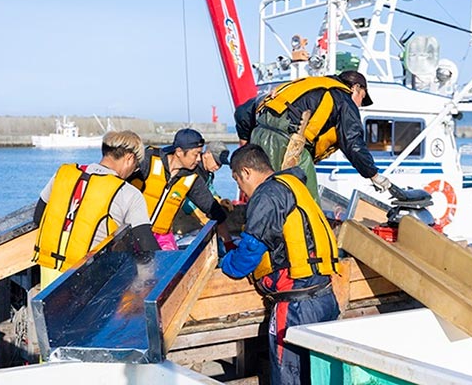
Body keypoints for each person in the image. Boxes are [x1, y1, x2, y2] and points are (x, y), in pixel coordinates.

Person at [221, 144, 340, 385]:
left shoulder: (268, 195)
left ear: (245, 172)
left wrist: (226, 263)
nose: (242, 191)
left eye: (238, 181)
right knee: (318, 376)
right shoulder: (294, 186)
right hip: (325, 295)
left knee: (289, 377)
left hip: (296, 304)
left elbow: (248, 256)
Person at [234, 70, 390, 202]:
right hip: (288, 145)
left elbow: (242, 112)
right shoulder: (343, 97)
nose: (359, 106)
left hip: (258, 138)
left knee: (263, 198)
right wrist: (373, 175)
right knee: (307, 203)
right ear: (355, 88)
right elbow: (353, 143)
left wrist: (247, 145)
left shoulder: (306, 85)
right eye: (362, 98)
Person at [33, 130, 159, 288]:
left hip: (50, 280)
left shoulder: (63, 174)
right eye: (136, 167)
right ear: (129, 158)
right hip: (88, 285)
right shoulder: (128, 193)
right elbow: (146, 246)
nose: (133, 173)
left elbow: (38, 217)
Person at [130, 128, 234, 251]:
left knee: (172, 267)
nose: (199, 159)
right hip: (132, 231)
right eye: (195, 154)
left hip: (161, 236)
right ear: (179, 151)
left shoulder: (191, 177)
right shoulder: (148, 160)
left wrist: (228, 244)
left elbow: (213, 209)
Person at [181, 141, 234, 223]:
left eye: (220, 164)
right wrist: (195, 211)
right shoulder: (192, 168)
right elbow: (183, 192)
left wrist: (219, 201)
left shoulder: (209, 174)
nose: (218, 167)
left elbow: (210, 190)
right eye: (216, 162)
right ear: (207, 154)